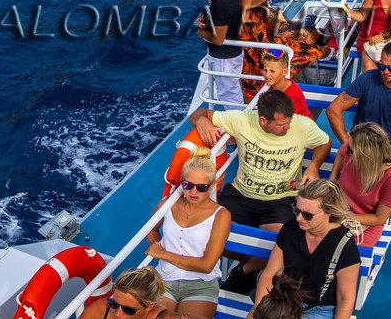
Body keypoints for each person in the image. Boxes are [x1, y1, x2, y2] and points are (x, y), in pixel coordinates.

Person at [190, 90, 330, 274]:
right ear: (263, 120)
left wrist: (313, 166)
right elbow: (199, 114)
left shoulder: (302, 125)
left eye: (289, 121)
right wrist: (202, 121)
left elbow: (324, 142)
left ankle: (245, 271)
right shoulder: (242, 120)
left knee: (282, 247)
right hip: (240, 196)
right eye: (281, 124)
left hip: (281, 200)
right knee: (210, 238)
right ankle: (257, 265)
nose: (288, 127)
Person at [252, 180, 361, 319]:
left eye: (307, 215)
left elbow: (345, 299)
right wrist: (260, 310)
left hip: (320, 308)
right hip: (286, 300)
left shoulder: (345, 246)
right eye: (297, 210)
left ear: (329, 212)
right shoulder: (290, 229)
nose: (299, 218)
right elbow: (269, 274)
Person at [144, 148, 232, 318]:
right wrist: (156, 245)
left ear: (212, 186)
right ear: (182, 182)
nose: (193, 192)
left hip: (201, 285)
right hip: (165, 280)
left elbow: (206, 266)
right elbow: (151, 229)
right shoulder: (166, 205)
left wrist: (163, 254)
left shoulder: (221, 215)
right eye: (188, 185)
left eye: (202, 187)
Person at [325, 41, 391, 154]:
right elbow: (333, 110)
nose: (386, 71)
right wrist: (348, 145)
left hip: (388, 149)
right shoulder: (367, 78)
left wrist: (378, 161)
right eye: (382, 66)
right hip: (358, 143)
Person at [331, 121, 391, 247]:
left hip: (365, 224)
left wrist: (345, 218)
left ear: (367, 155)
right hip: (339, 210)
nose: (348, 153)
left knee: (340, 252)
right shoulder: (350, 148)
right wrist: (332, 178)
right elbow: (342, 152)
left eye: (352, 152)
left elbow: (379, 218)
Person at [196, 0, 246, 108]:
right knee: (232, 91)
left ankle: (237, 127)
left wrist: (202, 32)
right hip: (232, 55)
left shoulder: (221, 4)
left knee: (229, 95)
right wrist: (207, 21)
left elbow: (218, 39)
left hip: (224, 59)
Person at [239, 0, 277, 101]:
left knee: (250, 74)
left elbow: (245, 15)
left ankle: (252, 104)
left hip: (251, 32)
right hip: (264, 23)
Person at [80, 267, 169, 319]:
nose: (118, 314)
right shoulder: (100, 310)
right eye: (113, 304)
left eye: (128, 310)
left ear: (149, 306)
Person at [261, 51, 311, 116]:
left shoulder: (294, 94)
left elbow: (284, 121)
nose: (267, 75)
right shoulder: (265, 85)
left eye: (272, 71)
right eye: (265, 70)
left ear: (285, 72)